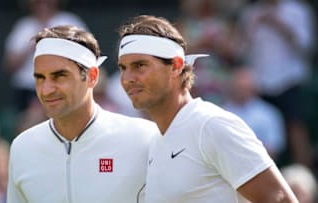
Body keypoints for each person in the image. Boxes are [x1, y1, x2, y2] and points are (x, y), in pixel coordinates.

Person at [117, 15, 298, 203]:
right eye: (123, 68)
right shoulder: (155, 142)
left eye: (140, 65)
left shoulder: (212, 125)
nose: (127, 78)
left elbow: (280, 199)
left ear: (176, 66)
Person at [6, 25, 157, 203]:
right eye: (40, 78)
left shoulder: (144, 138)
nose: (46, 90)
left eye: (59, 76)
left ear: (92, 76)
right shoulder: (22, 147)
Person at [238, 0, 316, 167]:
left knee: (296, 129)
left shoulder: (298, 10)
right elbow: (242, 51)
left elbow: (306, 46)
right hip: (260, 82)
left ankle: (305, 178)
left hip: (290, 79)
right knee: (260, 133)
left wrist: (278, 24)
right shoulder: (250, 14)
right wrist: (252, 28)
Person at [3, 0, 89, 111]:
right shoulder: (23, 26)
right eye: (38, 2)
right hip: (27, 91)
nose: (43, 4)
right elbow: (9, 65)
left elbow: (87, 55)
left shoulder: (69, 21)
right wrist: (34, 44)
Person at [223, 65, 286, 162]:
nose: (241, 91)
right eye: (238, 87)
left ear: (254, 88)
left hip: (261, 167)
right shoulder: (222, 112)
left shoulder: (268, 113)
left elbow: (273, 149)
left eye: (245, 87)